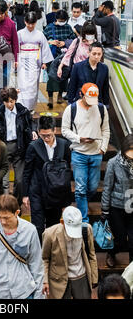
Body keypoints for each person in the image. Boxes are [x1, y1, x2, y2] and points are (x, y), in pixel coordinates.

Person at [61, 83, 110, 223]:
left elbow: (106, 130)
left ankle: (82, 203)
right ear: (81, 95)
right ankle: (84, 220)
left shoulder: (101, 109)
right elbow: (64, 130)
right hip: (78, 153)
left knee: (93, 187)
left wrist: (103, 148)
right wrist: (79, 139)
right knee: (80, 189)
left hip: (96, 153)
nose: (91, 104)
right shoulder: (72, 109)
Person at [0, 194, 44, 299]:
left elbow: (36, 264)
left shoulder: (30, 230)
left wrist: (39, 295)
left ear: (17, 213)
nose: (3, 222)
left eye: (6, 218)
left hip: (23, 290)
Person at [22, 116, 71, 239]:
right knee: (37, 227)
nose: (46, 138)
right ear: (38, 132)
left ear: (54, 130)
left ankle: (50, 255)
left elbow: (66, 171)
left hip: (55, 192)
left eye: (49, 135)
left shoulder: (63, 145)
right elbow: (27, 171)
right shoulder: (33, 146)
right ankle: (38, 255)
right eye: (43, 136)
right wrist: (25, 194)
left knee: (53, 228)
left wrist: (66, 198)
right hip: (37, 191)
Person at [42, 205, 98, 299]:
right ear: (62, 222)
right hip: (58, 280)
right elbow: (44, 259)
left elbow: (92, 255)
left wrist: (94, 278)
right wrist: (45, 281)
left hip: (81, 275)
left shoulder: (86, 230)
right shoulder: (49, 234)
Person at [0, 87, 36, 205]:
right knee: (4, 181)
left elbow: (31, 122)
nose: (9, 104)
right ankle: (5, 204)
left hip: (19, 147)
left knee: (20, 180)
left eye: (12, 101)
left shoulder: (23, 111)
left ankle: (15, 203)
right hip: (4, 147)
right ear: (3, 101)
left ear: (15, 100)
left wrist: (33, 131)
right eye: (7, 101)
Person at [101, 134, 133, 267]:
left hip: (132, 206)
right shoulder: (114, 163)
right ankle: (112, 253)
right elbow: (107, 187)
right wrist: (105, 210)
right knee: (120, 239)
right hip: (117, 206)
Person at [17, 11, 53, 112]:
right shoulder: (19, 33)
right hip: (22, 61)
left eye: (32, 23)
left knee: (32, 85)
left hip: (35, 61)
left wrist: (44, 62)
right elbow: (16, 48)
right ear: (25, 22)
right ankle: (22, 106)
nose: (30, 26)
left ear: (36, 22)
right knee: (22, 84)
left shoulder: (40, 34)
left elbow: (44, 48)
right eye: (28, 23)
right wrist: (15, 60)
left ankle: (31, 107)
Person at [43, 9, 76, 107]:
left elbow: (74, 40)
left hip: (64, 56)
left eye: (63, 20)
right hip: (51, 57)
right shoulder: (49, 28)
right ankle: (50, 97)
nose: (62, 22)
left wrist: (64, 43)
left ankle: (60, 96)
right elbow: (42, 40)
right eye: (60, 20)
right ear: (56, 19)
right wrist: (50, 42)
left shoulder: (68, 28)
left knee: (63, 77)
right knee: (52, 77)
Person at [67, 41, 109, 107]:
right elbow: (72, 86)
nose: (96, 56)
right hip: (81, 102)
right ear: (88, 53)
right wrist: (70, 102)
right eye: (94, 54)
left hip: (97, 102)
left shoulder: (104, 68)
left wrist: (106, 104)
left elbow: (105, 88)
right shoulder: (77, 67)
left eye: (99, 54)